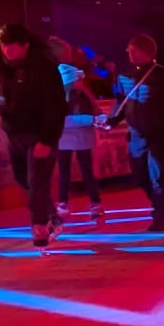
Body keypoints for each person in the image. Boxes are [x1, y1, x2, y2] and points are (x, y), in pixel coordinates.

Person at [0, 24, 66, 248]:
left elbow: (56, 107)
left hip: (40, 132)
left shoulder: (43, 67)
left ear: (25, 45)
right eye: (3, 45)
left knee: (38, 180)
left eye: (12, 46)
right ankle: (52, 215)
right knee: (23, 179)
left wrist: (47, 140)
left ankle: (39, 227)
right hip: (14, 133)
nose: (7, 50)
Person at [98, 34, 164, 231]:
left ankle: (160, 215)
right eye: (129, 50)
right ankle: (163, 202)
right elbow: (121, 101)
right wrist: (112, 120)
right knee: (140, 177)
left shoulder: (163, 75)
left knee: (157, 176)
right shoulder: (124, 75)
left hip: (156, 134)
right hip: (136, 136)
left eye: (134, 51)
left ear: (147, 52)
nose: (130, 54)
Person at [54, 57, 105, 226]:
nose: (80, 82)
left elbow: (95, 109)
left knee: (86, 172)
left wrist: (100, 118)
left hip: (80, 138)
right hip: (65, 138)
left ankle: (94, 204)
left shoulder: (84, 94)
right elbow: (62, 120)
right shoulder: (60, 97)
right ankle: (64, 203)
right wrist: (91, 119)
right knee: (66, 172)